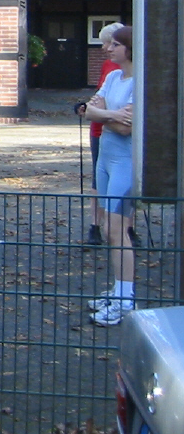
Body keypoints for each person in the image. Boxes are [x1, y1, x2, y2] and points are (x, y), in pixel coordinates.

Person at [84, 25, 136, 326]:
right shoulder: (113, 77)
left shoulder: (140, 83)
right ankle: (118, 289)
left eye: (115, 44)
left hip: (125, 162)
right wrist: (113, 115)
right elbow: (89, 111)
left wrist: (105, 116)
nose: (108, 48)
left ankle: (126, 299)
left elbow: (127, 128)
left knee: (118, 231)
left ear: (129, 49)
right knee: (107, 229)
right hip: (105, 157)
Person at [77, 23, 123, 247]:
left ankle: (123, 228)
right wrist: (96, 110)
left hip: (112, 130)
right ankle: (96, 225)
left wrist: (100, 112)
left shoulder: (123, 70)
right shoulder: (109, 69)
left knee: (122, 181)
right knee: (99, 178)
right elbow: (98, 99)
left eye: (110, 43)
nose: (105, 48)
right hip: (99, 129)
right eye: (106, 43)